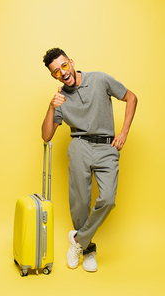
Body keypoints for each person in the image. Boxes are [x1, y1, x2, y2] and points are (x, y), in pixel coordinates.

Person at [42, 48, 137, 272]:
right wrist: (51, 106)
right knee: (80, 203)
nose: (63, 73)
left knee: (107, 198)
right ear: (53, 76)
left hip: (107, 146)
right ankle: (89, 250)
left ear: (71, 62)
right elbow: (46, 136)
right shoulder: (60, 98)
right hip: (79, 146)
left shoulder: (100, 79)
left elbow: (131, 97)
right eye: (56, 71)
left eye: (64, 66)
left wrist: (123, 132)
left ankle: (78, 241)